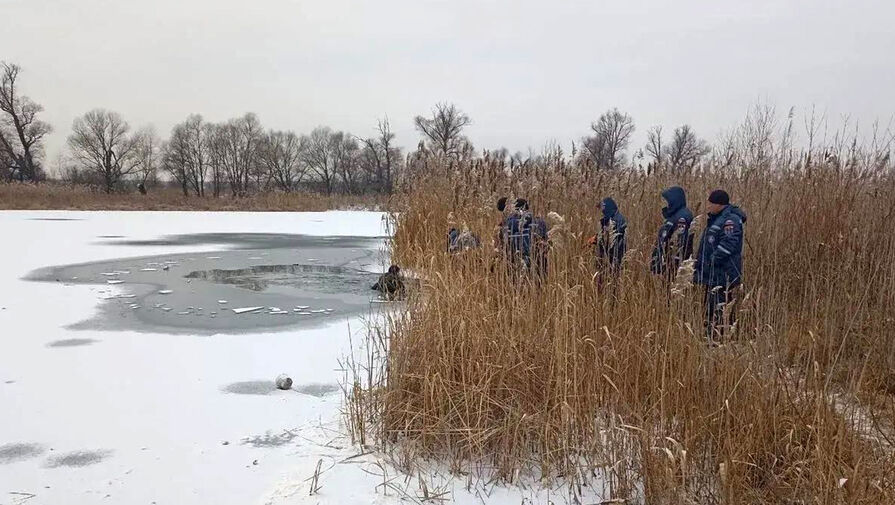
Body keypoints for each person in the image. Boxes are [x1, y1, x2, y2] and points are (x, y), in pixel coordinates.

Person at [693, 189, 747, 343]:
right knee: (711, 305)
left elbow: (729, 244)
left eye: (711, 203)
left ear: (719, 204)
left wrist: (712, 260)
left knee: (719, 305)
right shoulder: (717, 219)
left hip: (723, 273)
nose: (708, 206)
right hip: (713, 273)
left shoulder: (730, 221)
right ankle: (713, 336)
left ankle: (719, 338)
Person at [650, 186, 694, 282]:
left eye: (667, 201)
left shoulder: (682, 217)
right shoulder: (674, 215)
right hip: (667, 261)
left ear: (674, 200)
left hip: (673, 263)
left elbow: (680, 243)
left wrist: (673, 264)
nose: (666, 203)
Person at [505, 198, 548, 275]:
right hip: (537, 258)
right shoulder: (540, 222)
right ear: (527, 207)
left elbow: (504, 242)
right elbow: (545, 241)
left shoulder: (509, 223)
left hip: (515, 259)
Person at [594, 197, 627, 272]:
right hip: (609, 258)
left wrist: (598, 239)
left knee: (614, 273)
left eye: (603, 208)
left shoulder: (618, 220)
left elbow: (611, 236)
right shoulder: (611, 218)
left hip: (615, 258)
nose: (602, 211)